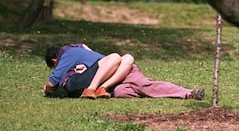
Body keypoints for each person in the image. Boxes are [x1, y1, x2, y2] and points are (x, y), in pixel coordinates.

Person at [44, 43, 205, 100]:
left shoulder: (68, 52)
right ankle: (99, 89)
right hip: (115, 79)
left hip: (118, 71)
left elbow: (52, 83)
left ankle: (187, 93)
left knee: (126, 59)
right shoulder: (77, 50)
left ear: (54, 61)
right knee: (124, 90)